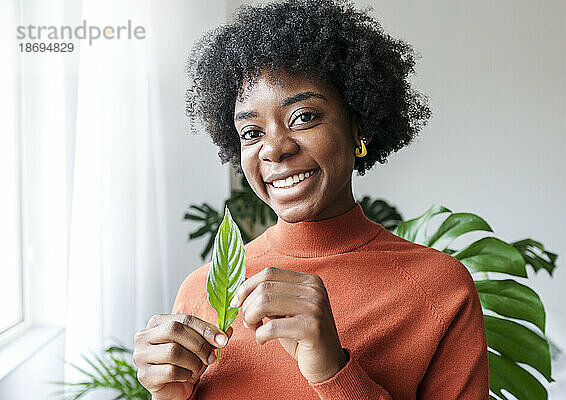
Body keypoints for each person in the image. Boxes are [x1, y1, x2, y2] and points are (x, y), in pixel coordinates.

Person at [132, 0, 489, 399]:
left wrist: (332, 370)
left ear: (358, 127)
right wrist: (168, 396)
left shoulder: (438, 289)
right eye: (251, 132)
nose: (275, 149)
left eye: (303, 116)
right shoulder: (203, 291)